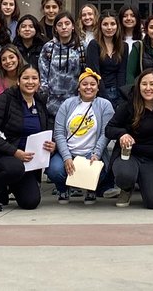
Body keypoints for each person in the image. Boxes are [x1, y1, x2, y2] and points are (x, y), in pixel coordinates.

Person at [0, 65, 56, 212]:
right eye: (26, 78)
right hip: (6, 155)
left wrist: (53, 145)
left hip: (30, 162)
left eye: (34, 78)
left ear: (39, 82)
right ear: (18, 81)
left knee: (30, 202)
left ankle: (7, 187)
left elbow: (47, 130)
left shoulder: (40, 102)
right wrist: (15, 152)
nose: (30, 82)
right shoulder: (5, 99)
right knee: (15, 168)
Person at [105, 68, 153, 209]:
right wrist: (122, 134)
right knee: (125, 175)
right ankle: (126, 188)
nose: (148, 88)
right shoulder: (129, 105)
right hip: (129, 155)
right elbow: (109, 129)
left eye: (152, 84)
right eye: (144, 84)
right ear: (138, 86)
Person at [48, 68, 115, 204]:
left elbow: (105, 133)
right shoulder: (67, 104)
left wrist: (96, 153)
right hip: (68, 152)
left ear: (97, 88)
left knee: (99, 170)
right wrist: (67, 157)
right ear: (79, 87)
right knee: (54, 170)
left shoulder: (105, 105)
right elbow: (59, 133)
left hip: (90, 153)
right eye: (84, 84)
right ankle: (63, 189)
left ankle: (91, 189)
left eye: (92, 84)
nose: (88, 87)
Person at [38, 11, 86, 117]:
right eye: (60, 25)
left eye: (67, 24)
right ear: (55, 28)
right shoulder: (48, 47)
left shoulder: (82, 47)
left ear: (73, 26)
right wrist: (45, 93)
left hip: (76, 100)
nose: (64, 27)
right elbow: (43, 73)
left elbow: (86, 72)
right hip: (52, 102)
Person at [85, 13, 126, 107]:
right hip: (99, 92)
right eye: (105, 24)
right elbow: (94, 72)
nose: (109, 27)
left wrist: (121, 96)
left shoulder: (123, 46)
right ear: (100, 26)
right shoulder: (94, 45)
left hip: (118, 91)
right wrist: (104, 97)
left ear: (117, 26)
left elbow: (122, 72)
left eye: (112, 24)